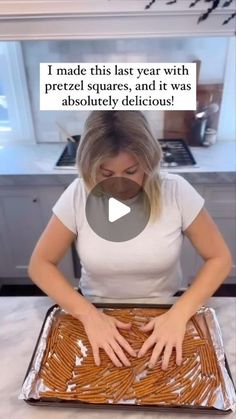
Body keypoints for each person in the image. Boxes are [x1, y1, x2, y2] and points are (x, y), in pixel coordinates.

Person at [28, 110, 232, 371]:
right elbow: (40, 264)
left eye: (131, 171)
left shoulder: (176, 191)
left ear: (148, 163)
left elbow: (219, 258)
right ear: (90, 168)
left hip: (165, 313)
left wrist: (181, 313)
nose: (119, 185)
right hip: (95, 312)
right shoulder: (78, 194)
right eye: (105, 174)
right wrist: (89, 315)